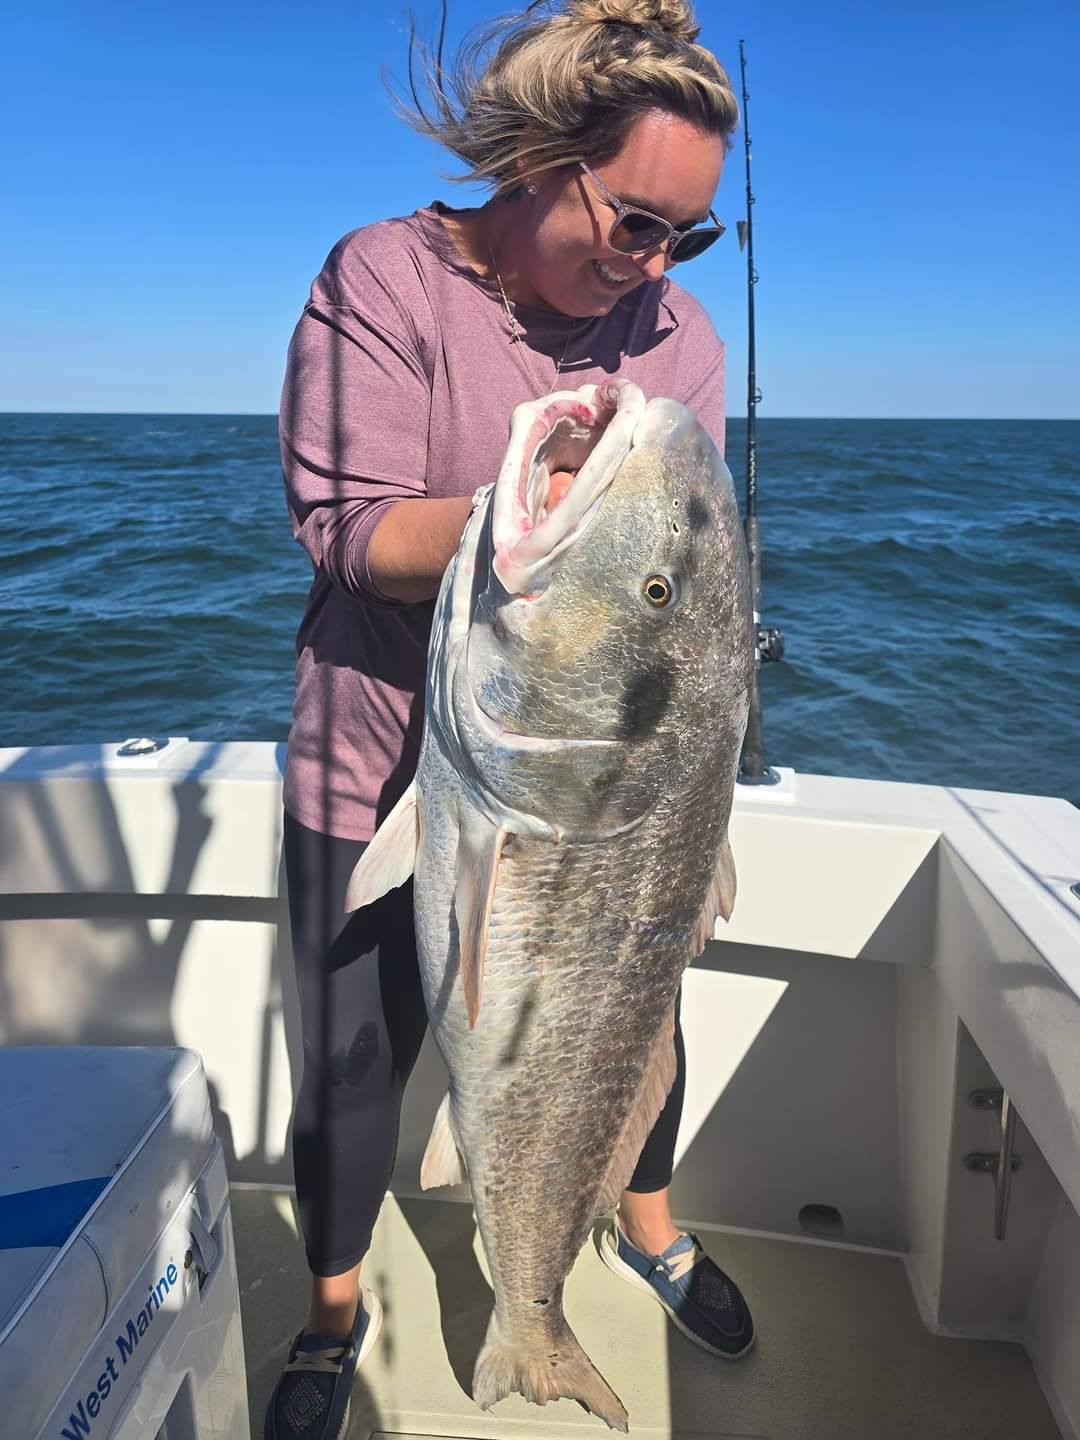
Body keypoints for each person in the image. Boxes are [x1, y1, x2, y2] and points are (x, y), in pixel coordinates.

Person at [269, 0, 753, 1434]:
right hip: (382, 753)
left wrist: (604, 541)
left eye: (685, 235)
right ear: (537, 159)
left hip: (615, 783)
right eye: (632, 221)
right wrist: (532, 513)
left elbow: (680, 559)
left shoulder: (680, 334)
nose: (651, 266)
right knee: (352, 1065)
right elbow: (345, 535)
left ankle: (642, 1230)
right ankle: (331, 1312)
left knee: (631, 1024)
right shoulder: (387, 279)